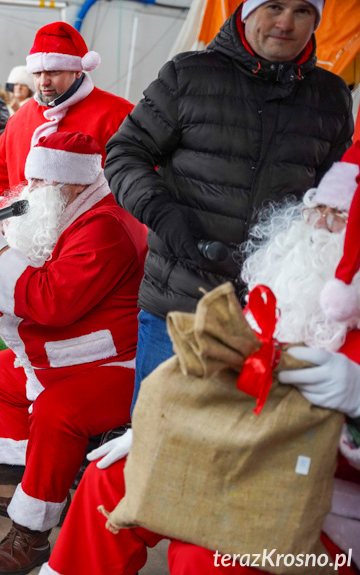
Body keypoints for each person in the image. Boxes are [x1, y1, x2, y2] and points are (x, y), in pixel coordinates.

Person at [41, 143, 360, 575]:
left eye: (337, 218)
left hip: (315, 498)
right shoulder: (279, 295)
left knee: (202, 559)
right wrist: (163, 425)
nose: (317, 227)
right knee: (107, 479)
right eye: (314, 210)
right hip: (229, 451)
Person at [104, 0, 353, 431]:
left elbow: (335, 196)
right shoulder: (188, 75)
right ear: (246, 11)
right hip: (181, 307)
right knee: (153, 441)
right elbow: (124, 153)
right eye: (274, 5)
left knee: (241, 453)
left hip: (275, 319)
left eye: (302, 10)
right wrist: (163, 213)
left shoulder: (330, 97)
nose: (286, 22)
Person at [0, 132, 148, 575]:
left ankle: (32, 534)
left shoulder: (105, 227)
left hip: (119, 361)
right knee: (1, 372)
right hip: (80, 348)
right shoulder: (72, 211)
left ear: (73, 184)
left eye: (40, 183)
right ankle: (38, 483)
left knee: (58, 411)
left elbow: (52, 301)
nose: (29, 193)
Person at [0, 21, 133, 213]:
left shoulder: (118, 114)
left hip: (91, 233)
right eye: (37, 73)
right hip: (22, 234)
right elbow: (0, 162)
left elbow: (140, 172)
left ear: (77, 71)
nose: (43, 82)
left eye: (53, 72)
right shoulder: (20, 117)